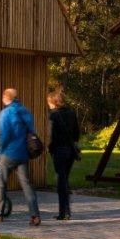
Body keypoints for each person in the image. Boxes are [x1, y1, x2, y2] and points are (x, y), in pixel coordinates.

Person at [0, 87, 41, 226]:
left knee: (1, 184)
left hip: (8, 154)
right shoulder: (25, 111)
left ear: (6, 97)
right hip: (23, 154)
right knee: (26, 185)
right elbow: (31, 131)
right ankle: (35, 216)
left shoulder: (5, 113)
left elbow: (4, 135)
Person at [47, 88, 81, 221]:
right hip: (71, 151)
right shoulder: (72, 113)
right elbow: (77, 133)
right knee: (65, 180)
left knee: (61, 182)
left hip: (59, 151)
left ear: (54, 102)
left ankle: (64, 213)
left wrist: (50, 148)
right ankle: (66, 211)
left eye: (49, 102)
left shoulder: (54, 115)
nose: (48, 105)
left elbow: (52, 136)